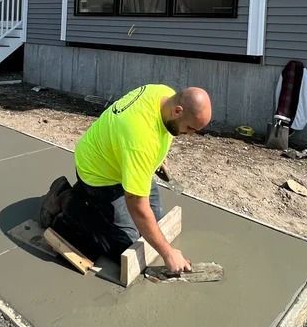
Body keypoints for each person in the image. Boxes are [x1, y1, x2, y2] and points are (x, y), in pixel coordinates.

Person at [40, 85, 212, 274]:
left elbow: (155, 132)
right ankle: (67, 199)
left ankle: (90, 201)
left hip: (120, 160)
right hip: (98, 174)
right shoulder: (140, 141)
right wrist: (168, 253)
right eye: (189, 128)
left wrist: (156, 158)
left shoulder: (163, 94)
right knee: (127, 245)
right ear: (177, 111)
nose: (189, 134)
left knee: (157, 222)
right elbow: (137, 206)